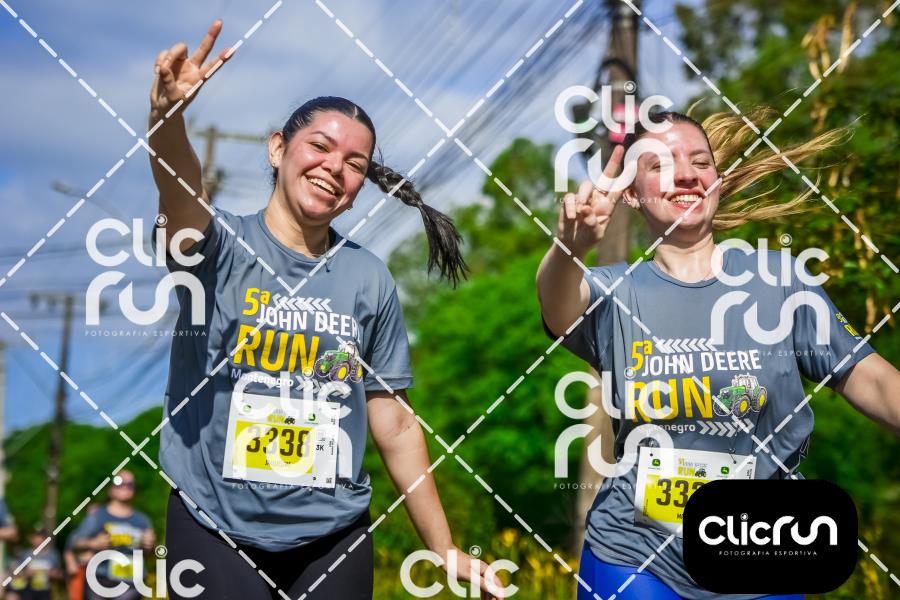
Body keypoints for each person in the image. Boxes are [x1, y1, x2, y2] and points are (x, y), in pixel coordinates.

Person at [148, 20, 500, 600]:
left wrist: (443, 548)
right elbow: (180, 194)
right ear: (277, 148)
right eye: (320, 146)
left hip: (333, 534)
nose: (335, 168)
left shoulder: (369, 278)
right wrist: (167, 122)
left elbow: (395, 423)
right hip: (214, 524)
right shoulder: (216, 247)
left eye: (356, 164)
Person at [536, 110, 900, 599]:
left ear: (717, 181)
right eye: (662, 165)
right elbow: (556, 302)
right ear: (632, 194)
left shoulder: (780, 281)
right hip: (635, 558)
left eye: (700, 162)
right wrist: (570, 247)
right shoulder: (614, 293)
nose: (687, 174)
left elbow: (871, 379)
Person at [70, 471, 155, 600]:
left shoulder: (143, 520)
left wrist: (150, 546)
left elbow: (151, 555)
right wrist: (93, 543)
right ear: (110, 489)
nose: (125, 486)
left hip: (131, 585)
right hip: (100, 581)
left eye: (130, 484)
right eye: (119, 482)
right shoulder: (97, 516)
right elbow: (75, 543)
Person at [7, 529, 62, 600]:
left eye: (40, 537)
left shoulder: (53, 555)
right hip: (27, 590)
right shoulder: (24, 555)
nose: (37, 540)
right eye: (35, 538)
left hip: (47, 591)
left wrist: (53, 574)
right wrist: (26, 573)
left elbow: (60, 574)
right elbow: (14, 573)